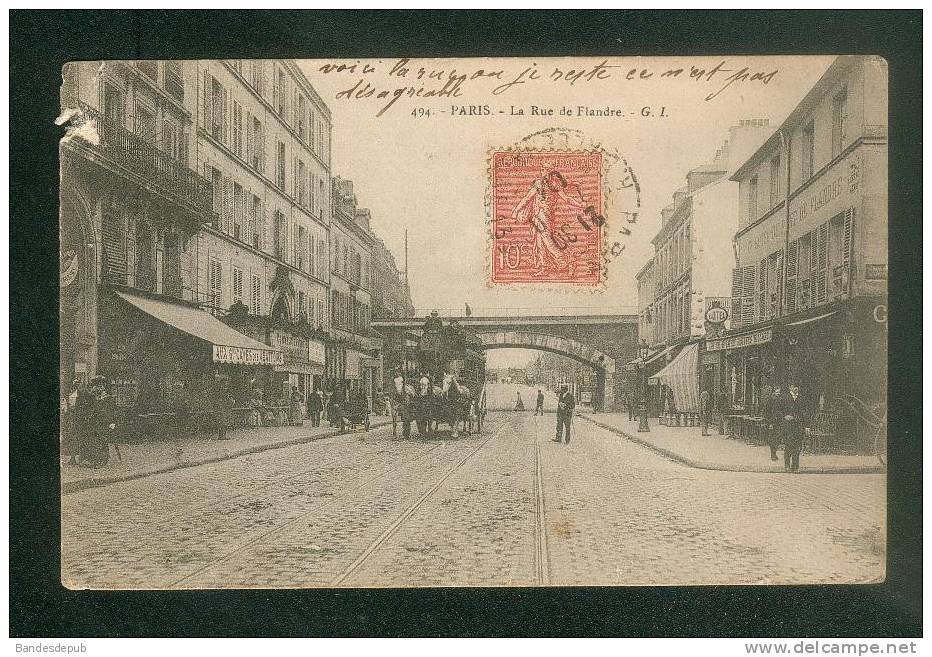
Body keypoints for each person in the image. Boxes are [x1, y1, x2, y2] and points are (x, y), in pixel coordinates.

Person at [75, 375, 116, 468]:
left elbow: (112, 411)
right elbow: (88, 406)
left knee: (102, 440)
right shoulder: (92, 397)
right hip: (94, 421)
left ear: (103, 386)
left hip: (104, 422)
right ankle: (93, 459)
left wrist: (112, 422)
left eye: (99, 385)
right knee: (94, 440)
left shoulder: (108, 398)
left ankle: (102, 460)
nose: (97, 387)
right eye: (96, 385)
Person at [772, 382, 808, 472]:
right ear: (790, 387)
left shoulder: (802, 398)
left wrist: (806, 425)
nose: (796, 388)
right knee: (788, 445)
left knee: (797, 447)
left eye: (797, 386)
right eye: (794, 386)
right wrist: (784, 416)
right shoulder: (784, 398)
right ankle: (787, 465)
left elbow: (805, 412)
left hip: (798, 425)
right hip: (788, 426)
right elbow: (777, 410)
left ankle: (795, 466)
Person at [61, 379, 82, 464]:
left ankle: (76, 458)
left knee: (75, 437)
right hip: (69, 417)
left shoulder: (80, 394)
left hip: (76, 417)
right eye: (75, 384)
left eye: (77, 384)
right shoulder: (68, 393)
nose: (76, 386)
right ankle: (72, 457)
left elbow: (80, 406)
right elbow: (65, 405)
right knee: (69, 436)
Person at [763, 386, 783, 461]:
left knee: (778, 438)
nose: (778, 393)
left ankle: (774, 452)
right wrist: (770, 422)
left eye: (779, 392)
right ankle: (773, 454)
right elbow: (767, 412)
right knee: (773, 438)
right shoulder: (770, 401)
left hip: (779, 422)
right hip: (772, 422)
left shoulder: (780, 400)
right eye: (777, 392)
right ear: (773, 392)